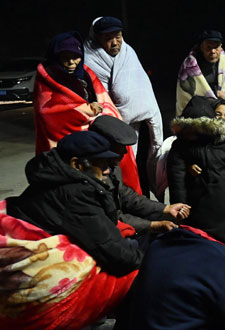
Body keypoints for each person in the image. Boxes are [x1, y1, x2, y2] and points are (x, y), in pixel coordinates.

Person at [0, 131, 143, 330]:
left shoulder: (51, 176)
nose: (109, 170)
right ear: (77, 164)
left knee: (126, 248)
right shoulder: (76, 193)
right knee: (136, 271)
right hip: (35, 308)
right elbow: (115, 253)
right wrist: (148, 261)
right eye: (103, 164)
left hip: (9, 297)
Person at [33, 31, 142, 195]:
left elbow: (104, 100)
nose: (71, 62)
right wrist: (87, 110)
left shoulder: (85, 73)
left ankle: (125, 202)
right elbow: (47, 112)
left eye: (75, 56)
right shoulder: (47, 78)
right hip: (71, 142)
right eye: (65, 57)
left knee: (119, 163)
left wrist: (99, 111)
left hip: (96, 134)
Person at [167, 96, 225, 256]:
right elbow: (178, 184)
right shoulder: (181, 148)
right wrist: (181, 215)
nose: (188, 133)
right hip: (205, 219)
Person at [84, 16, 164, 198]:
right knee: (123, 169)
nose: (115, 43)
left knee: (145, 164)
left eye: (118, 36)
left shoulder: (128, 51)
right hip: (118, 126)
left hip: (145, 122)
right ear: (96, 39)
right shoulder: (89, 59)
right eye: (108, 39)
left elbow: (141, 84)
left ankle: (145, 200)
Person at [90, 115, 190, 241]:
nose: (125, 152)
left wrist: (165, 208)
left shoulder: (112, 167)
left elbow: (126, 196)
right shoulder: (92, 175)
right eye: (120, 146)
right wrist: (152, 226)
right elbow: (112, 218)